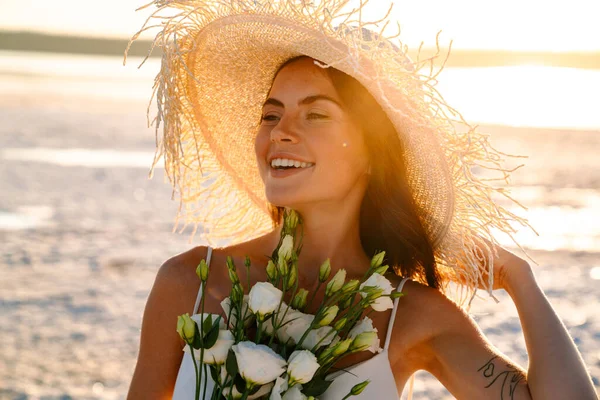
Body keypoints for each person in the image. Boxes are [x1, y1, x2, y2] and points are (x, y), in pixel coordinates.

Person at [125, 1, 597, 399]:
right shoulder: (189, 282)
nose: (281, 133)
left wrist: (520, 280)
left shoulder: (412, 315)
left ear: (373, 152)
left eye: (315, 114)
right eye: (272, 114)